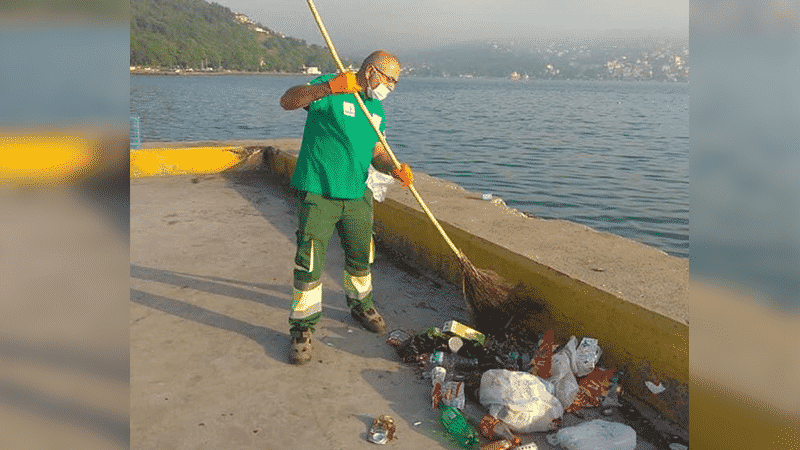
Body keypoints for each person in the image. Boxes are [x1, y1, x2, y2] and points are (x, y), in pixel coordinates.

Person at [279, 50, 414, 365]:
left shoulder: (376, 110)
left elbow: (377, 150)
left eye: (396, 81)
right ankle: (302, 328)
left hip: (356, 194)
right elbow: (287, 101)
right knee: (310, 262)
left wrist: (392, 168)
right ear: (370, 71)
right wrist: (329, 88)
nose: (392, 86)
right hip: (319, 191)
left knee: (361, 255)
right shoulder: (332, 86)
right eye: (389, 78)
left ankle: (361, 305)